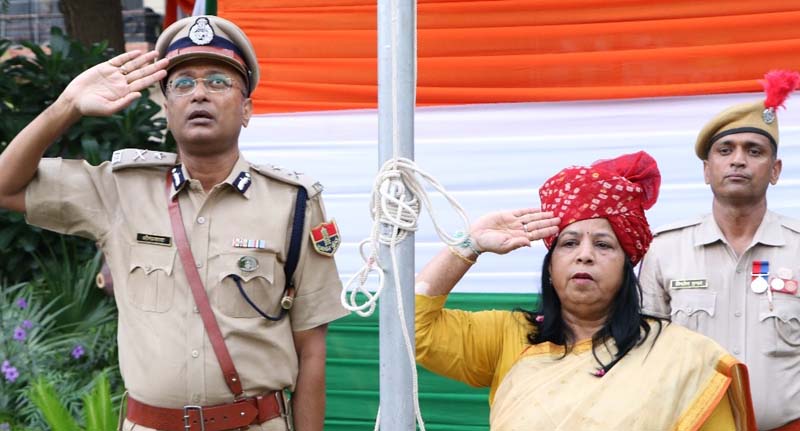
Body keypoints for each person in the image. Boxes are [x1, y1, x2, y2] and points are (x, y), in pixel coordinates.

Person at [0, 15, 347, 431]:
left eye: (218, 81)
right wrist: (67, 106)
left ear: (247, 108)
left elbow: (311, 351)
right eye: (182, 84)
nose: (199, 93)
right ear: (166, 109)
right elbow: (5, 186)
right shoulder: (118, 191)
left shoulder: (293, 204)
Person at [415, 151, 756, 430]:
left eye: (604, 244)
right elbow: (413, 328)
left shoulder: (681, 357)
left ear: (627, 267)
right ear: (550, 266)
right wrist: (470, 244)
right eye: (569, 242)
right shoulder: (510, 337)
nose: (585, 254)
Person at [639, 70, 800, 431]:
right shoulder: (665, 250)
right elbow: (645, 355)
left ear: (775, 171)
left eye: (754, 151)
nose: (738, 160)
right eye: (725, 150)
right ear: (707, 171)